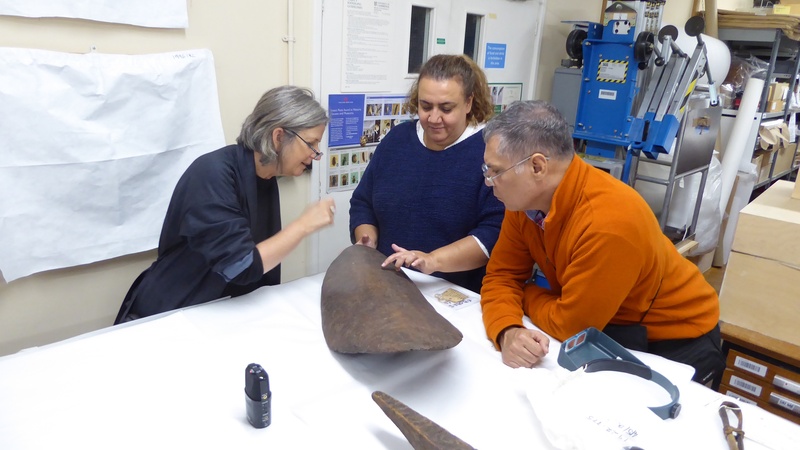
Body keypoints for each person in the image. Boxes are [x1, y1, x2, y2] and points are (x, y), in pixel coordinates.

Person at [479, 100, 725, 385]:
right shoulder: (524, 204)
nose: (489, 181)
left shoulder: (609, 222)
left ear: (537, 166)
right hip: (609, 325)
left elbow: (568, 325)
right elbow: (501, 276)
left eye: (495, 172)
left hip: (675, 341)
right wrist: (507, 329)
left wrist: (526, 293)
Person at [114, 86, 335, 323]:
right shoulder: (212, 173)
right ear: (278, 137)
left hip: (223, 310)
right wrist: (302, 225)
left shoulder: (265, 177)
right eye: (311, 144)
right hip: (177, 310)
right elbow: (241, 266)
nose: (316, 154)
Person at [349, 54, 504, 294]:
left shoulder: (489, 152)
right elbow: (363, 202)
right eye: (425, 106)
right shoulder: (397, 140)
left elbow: (493, 232)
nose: (433, 118)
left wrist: (432, 260)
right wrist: (366, 240)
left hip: (455, 294)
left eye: (446, 108)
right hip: (389, 284)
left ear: (468, 102)